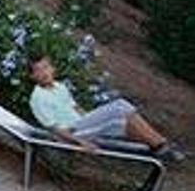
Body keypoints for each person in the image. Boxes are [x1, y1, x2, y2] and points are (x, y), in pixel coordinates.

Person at [28, 53, 185, 162]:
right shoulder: (37, 98)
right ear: (32, 76)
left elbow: (76, 108)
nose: (44, 73)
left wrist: (94, 118)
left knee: (125, 122)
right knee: (121, 105)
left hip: (84, 126)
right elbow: (55, 130)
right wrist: (79, 142)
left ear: (53, 69)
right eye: (39, 70)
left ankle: (160, 147)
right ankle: (162, 145)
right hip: (70, 134)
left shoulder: (59, 86)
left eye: (46, 67)